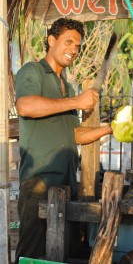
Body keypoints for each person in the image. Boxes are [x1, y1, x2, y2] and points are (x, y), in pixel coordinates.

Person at [14, 18, 113, 263]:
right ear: (51, 41)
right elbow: (25, 106)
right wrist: (76, 102)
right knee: (32, 255)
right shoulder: (33, 71)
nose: (74, 49)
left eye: (78, 46)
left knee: (62, 254)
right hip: (38, 183)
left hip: (66, 186)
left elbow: (74, 134)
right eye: (68, 42)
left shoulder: (66, 87)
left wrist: (111, 129)